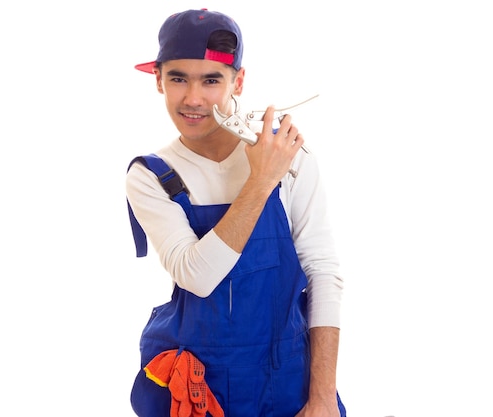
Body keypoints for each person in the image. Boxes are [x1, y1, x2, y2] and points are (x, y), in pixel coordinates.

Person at [126, 8, 346, 417]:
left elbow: (323, 271)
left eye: (211, 80)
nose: (193, 98)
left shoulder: (291, 156)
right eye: (178, 78)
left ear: (237, 81)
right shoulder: (152, 176)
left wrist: (322, 399)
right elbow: (198, 276)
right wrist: (261, 181)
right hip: (199, 390)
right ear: (158, 80)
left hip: (292, 381)